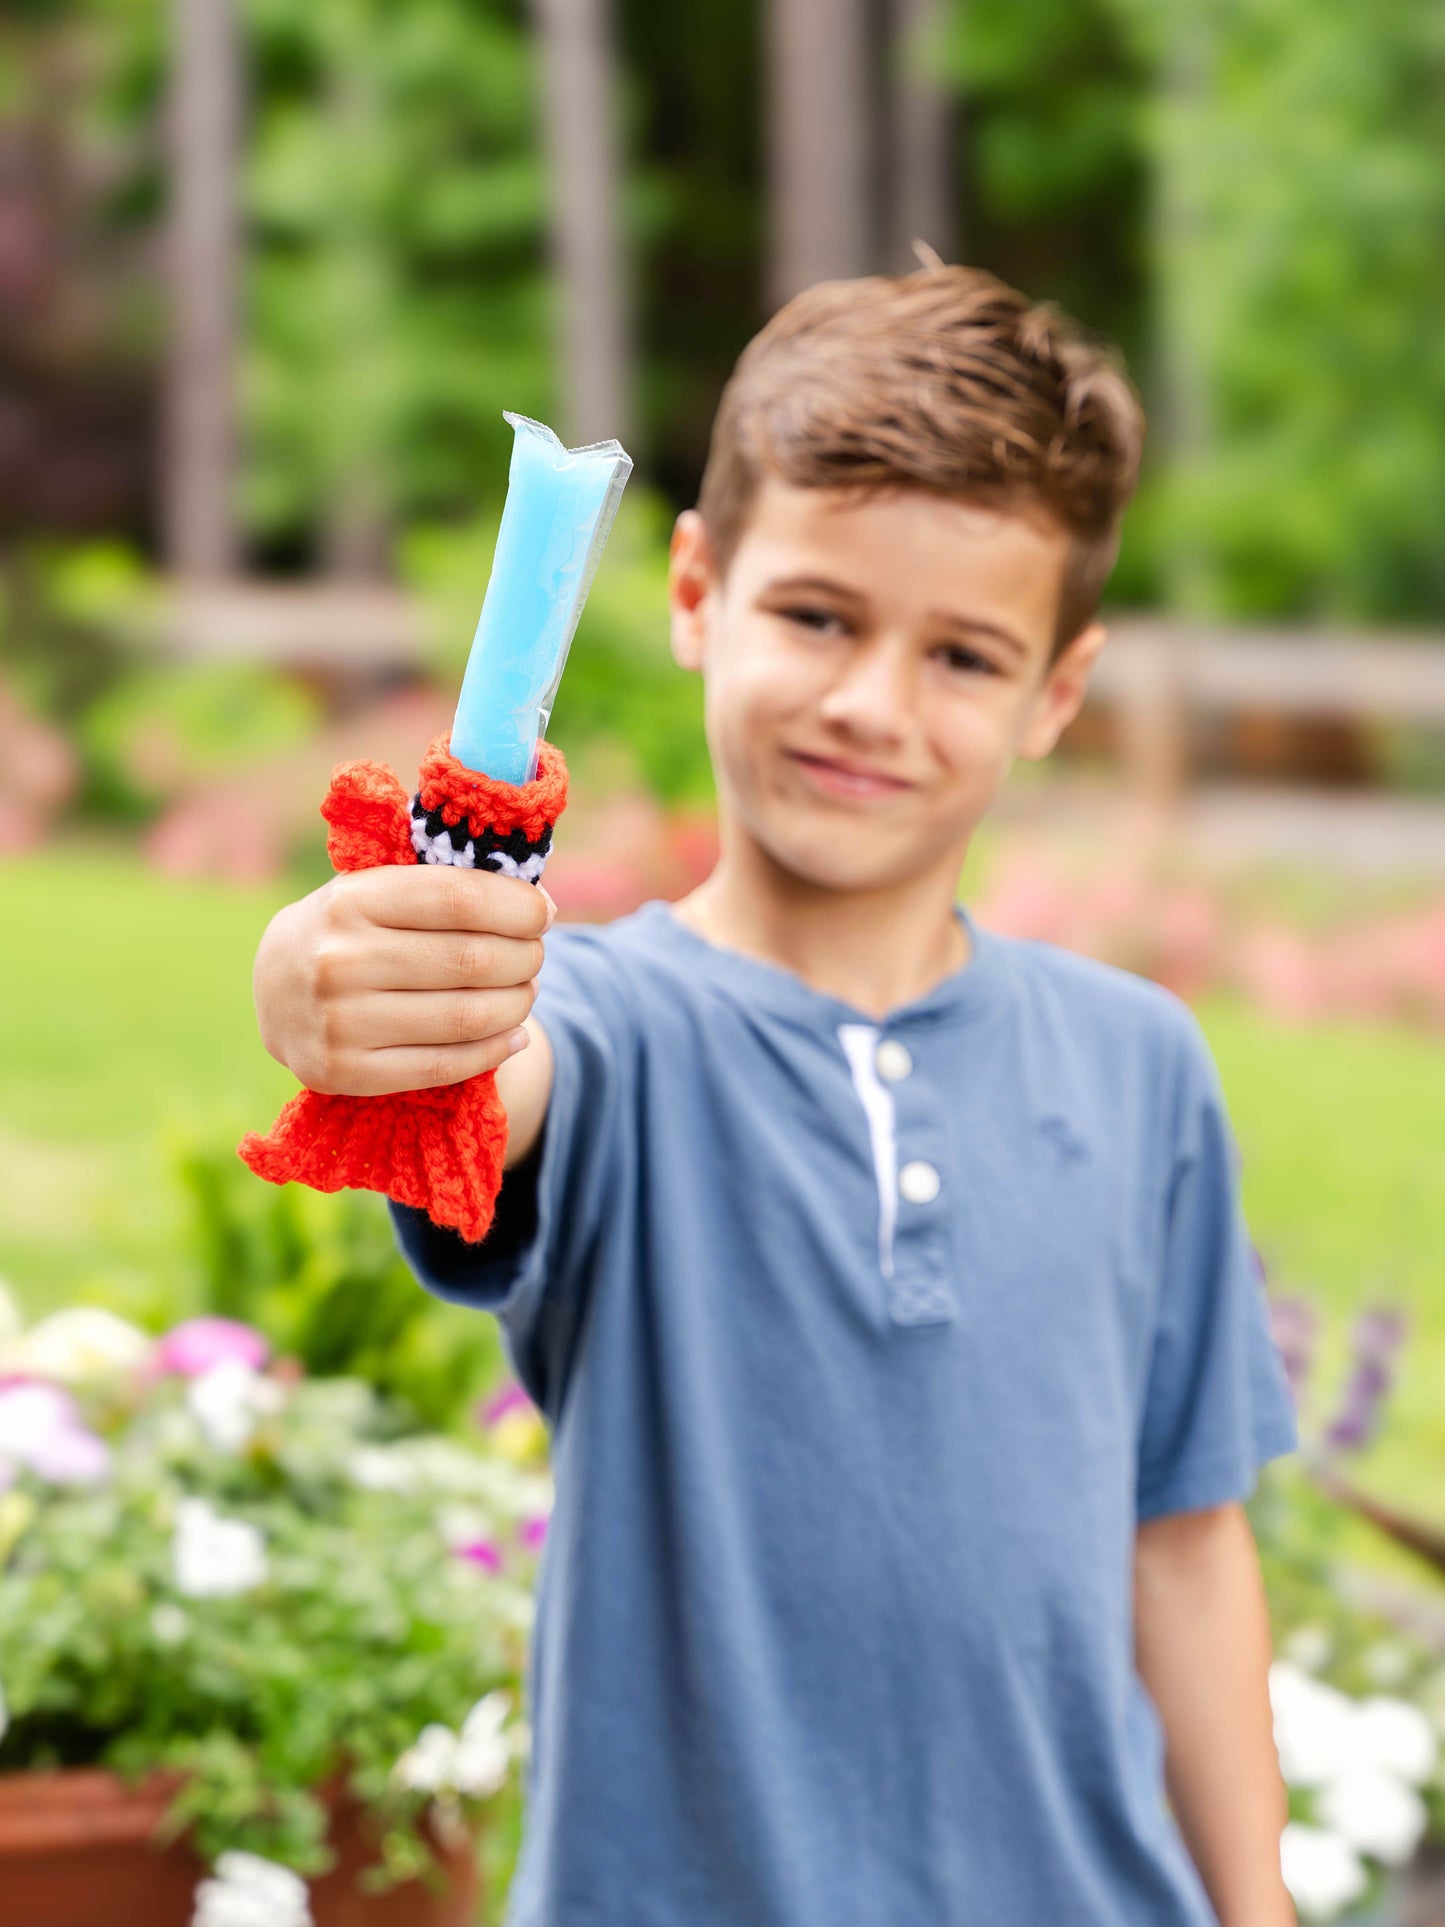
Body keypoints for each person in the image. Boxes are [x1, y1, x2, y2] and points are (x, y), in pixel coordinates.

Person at [252, 264, 1301, 1926]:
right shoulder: (609, 1027)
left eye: (963, 654)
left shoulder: (1139, 1063)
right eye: (817, 615)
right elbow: (484, 1077)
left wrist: (1259, 1912)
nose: (871, 704)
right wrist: (353, 991)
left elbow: (1180, 1545)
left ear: (1057, 693)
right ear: (694, 590)